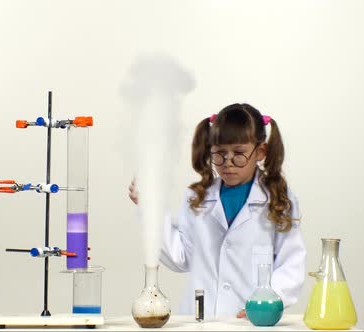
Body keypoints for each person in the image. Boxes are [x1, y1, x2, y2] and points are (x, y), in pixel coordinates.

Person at [128, 103, 306, 318]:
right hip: (201, 318)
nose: (228, 163)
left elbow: (291, 264)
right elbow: (180, 258)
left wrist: (266, 303)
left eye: (239, 154)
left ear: (260, 151)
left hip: (252, 320)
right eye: (220, 153)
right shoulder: (197, 198)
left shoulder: (278, 200)